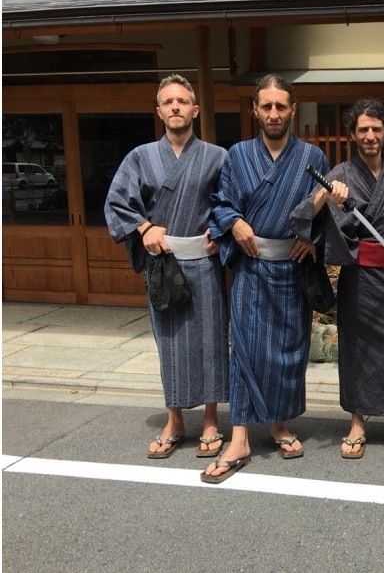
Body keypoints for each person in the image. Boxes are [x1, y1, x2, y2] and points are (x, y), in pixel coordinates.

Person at [201, 74, 329, 483]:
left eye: (281, 106)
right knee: (245, 349)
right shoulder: (236, 155)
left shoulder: (313, 157)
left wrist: (312, 238)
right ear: (254, 109)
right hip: (252, 267)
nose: (274, 113)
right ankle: (239, 435)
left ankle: (278, 423)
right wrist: (235, 222)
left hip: (291, 269)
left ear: (293, 109)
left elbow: (325, 213)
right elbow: (219, 203)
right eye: (266, 106)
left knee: (288, 353)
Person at [292, 98, 384, 459]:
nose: (369, 136)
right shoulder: (339, 174)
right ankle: (357, 422)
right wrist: (326, 195)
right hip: (359, 277)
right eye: (362, 130)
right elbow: (303, 217)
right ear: (353, 134)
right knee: (357, 351)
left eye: (376, 129)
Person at [105, 73, 229, 460]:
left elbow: (230, 202)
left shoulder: (216, 156)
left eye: (182, 101)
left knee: (210, 340)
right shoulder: (140, 157)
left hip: (204, 263)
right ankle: (174, 418)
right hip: (164, 263)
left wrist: (220, 227)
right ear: (159, 112)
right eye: (167, 102)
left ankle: (211, 420)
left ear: (195, 109)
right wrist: (143, 227)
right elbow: (116, 203)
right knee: (171, 343)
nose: (175, 107)